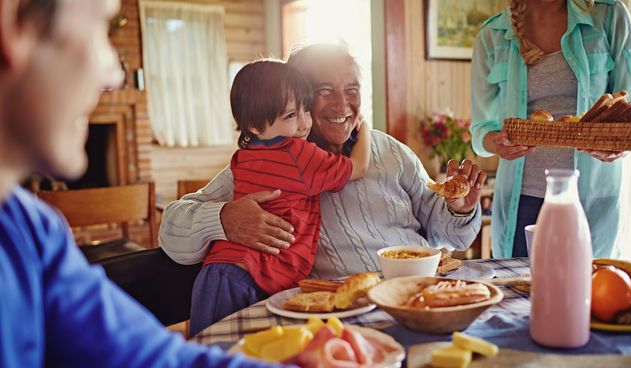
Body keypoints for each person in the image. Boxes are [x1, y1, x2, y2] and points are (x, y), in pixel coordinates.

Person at [0, 0, 283, 366]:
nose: (113, 76)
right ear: (13, 23)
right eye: (100, 27)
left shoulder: (32, 231)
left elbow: (154, 357)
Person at [160, 43, 486, 326]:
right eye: (325, 91)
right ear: (295, 98)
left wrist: (460, 207)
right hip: (345, 316)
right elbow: (171, 229)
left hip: (418, 298)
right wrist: (224, 220)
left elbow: (451, 236)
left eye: (352, 89)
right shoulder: (268, 164)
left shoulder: (393, 153)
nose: (342, 105)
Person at [191, 59, 370, 335]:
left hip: (228, 273)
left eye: (305, 110)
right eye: (290, 116)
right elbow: (358, 167)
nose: (303, 125)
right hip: (241, 277)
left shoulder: (245, 155)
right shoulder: (297, 154)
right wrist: (365, 129)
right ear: (253, 124)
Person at [470, 0, 631, 259]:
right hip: (522, 201)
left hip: (592, 199)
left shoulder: (609, 16)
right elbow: (479, 130)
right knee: (522, 294)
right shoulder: (491, 36)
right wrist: (494, 142)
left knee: (593, 294)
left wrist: (619, 147)